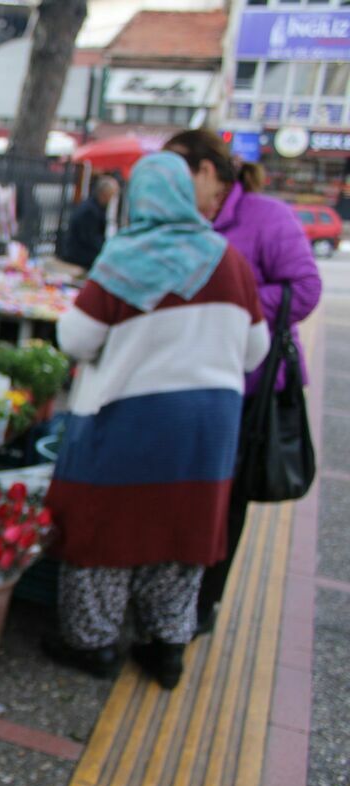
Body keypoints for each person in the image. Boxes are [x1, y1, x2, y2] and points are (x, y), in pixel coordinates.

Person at [42, 153, 270, 689]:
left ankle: (93, 643)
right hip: (208, 424)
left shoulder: (127, 256)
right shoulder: (228, 259)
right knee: (181, 529)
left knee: (105, 526)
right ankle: (166, 647)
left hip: (131, 415)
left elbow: (75, 338)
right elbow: (255, 350)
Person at [163, 129, 322, 634]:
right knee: (180, 494)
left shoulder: (267, 217)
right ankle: (165, 601)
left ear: (207, 171)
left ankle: (201, 605)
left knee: (225, 501)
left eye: (178, 173)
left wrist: (231, 304)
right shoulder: (180, 219)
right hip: (185, 380)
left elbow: (305, 289)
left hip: (246, 389)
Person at [59, 177, 120, 269]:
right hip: (78, 253)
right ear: (104, 194)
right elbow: (90, 238)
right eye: (111, 195)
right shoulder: (90, 211)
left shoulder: (94, 206)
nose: (111, 199)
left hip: (81, 250)